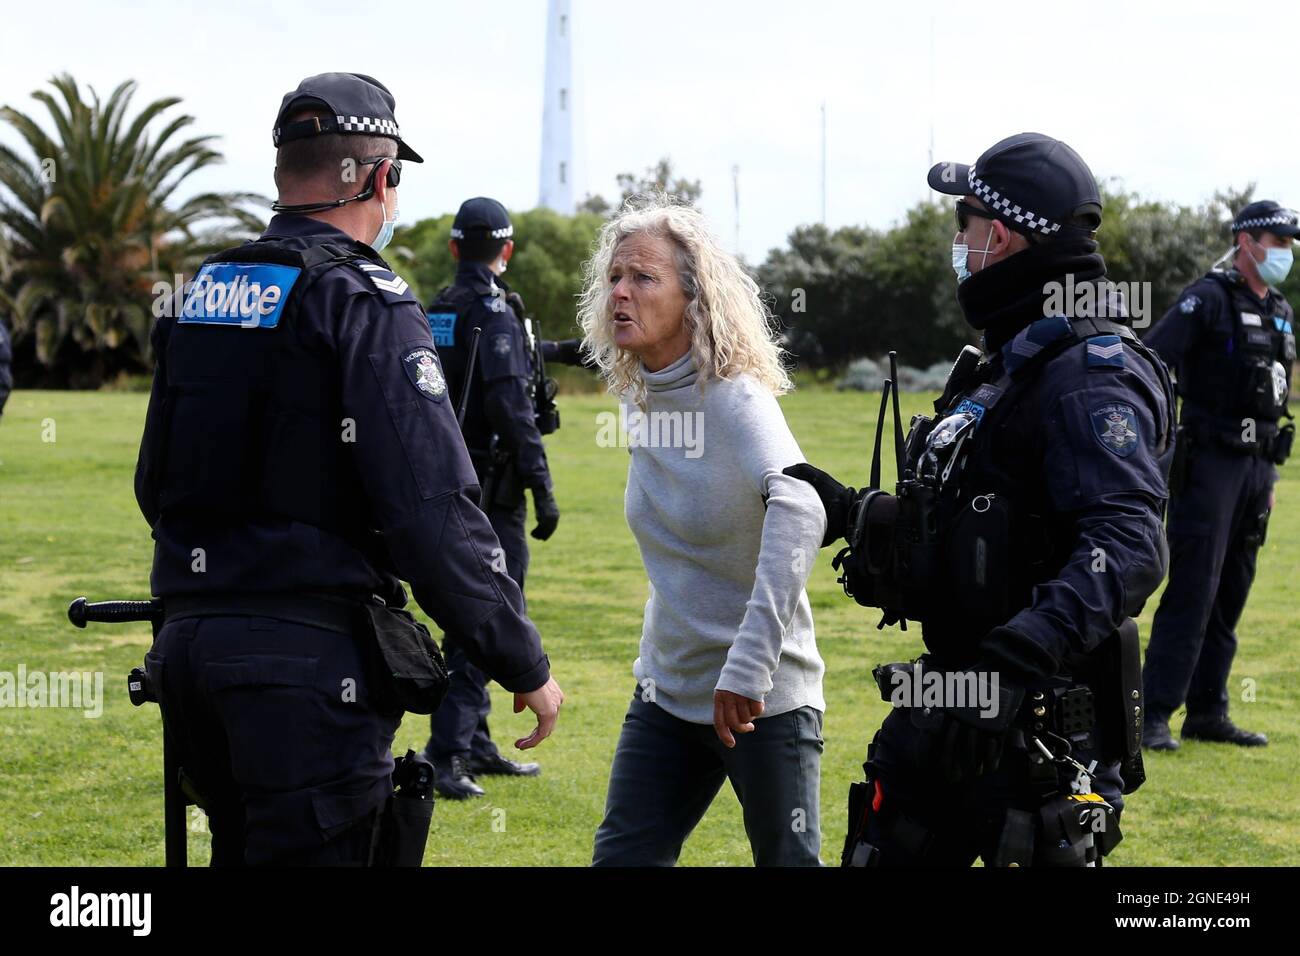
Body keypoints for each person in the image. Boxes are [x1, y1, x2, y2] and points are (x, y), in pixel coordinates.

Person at [133, 73, 564, 866]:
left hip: (191, 653)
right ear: (377, 176)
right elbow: (429, 507)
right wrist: (520, 658)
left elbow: (153, 486)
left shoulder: (205, 292)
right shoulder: (365, 298)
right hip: (304, 674)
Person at [788, 133, 1175, 866]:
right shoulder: (1011, 360)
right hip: (953, 709)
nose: (958, 242)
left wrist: (1012, 663)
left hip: (1041, 736)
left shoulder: (1090, 374)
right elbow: (986, 520)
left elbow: (1126, 546)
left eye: (963, 225)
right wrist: (858, 514)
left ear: (998, 234)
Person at [584, 197, 827, 867]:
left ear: (693, 299)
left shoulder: (733, 396)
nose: (620, 293)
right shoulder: (644, 398)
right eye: (614, 278)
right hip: (666, 691)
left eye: (642, 278)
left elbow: (803, 506)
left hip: (760, 700)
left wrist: (748, 667)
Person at [421, 197, 581, 798]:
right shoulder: (496, 311)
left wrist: (555, 349)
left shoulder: (439, 308)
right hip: (495, 490)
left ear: (455, 247)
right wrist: (544, 489)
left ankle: (478, 744)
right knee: (486, 611)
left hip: (448, 480)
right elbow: (512, 407)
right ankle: (446, 755)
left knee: (478, 605)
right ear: (506, 251)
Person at [1139, 201, 1297, 751]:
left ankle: (1208, 711)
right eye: (1277, 240)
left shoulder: (1278, 307)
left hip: (1256, 470)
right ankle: (1152, 712)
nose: (1285, 251)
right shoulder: (1206, 298)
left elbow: (1274, 394)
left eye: (1289, 242)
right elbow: (1153, 360)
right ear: (1246, 240)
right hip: (1208, 464)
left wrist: (1270, 476)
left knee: (1232, 591)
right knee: (1193, 589)